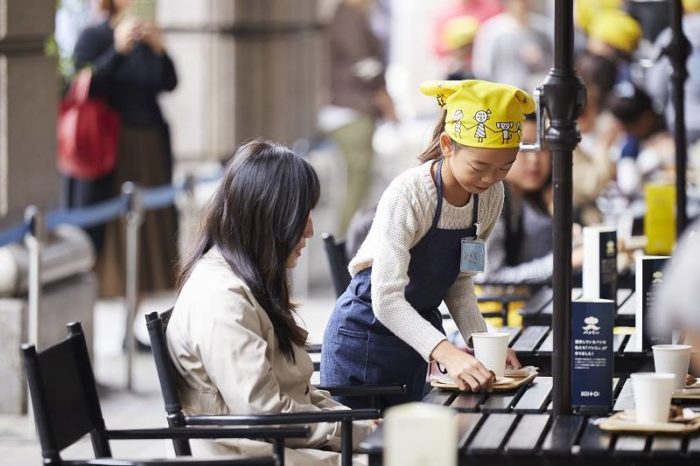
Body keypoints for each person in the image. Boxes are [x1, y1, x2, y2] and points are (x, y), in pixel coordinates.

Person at [321, 80, 529, 410]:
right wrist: (448, 352)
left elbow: (460, 284)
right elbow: (387, 299)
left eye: (505, 167)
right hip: (363, 339)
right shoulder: (410, 194)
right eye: (479, 167)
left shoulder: (491, 196)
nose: (490, 179)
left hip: (417, 343)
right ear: (447, 145)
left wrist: (485, 349)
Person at [166, 140, 373, 465]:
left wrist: (358, 424)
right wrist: (355, 432)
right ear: (268, 216)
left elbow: (295, 392)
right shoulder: (223, 299)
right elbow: (264, 413)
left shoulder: (243, 279)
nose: (309, 230)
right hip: (258, 455)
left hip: (284, 446)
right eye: (301, 215)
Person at [65, 0, 178, 297]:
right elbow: (82, 85)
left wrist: (160, 49)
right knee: (112, 233)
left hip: (150, 146)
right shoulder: (94, 36)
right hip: (110, 149)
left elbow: (168, 82)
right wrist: (117, 50)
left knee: (149, 232)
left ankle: (134, 322)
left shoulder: (146, 37)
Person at [326, 0, 397, 239]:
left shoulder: (348, 16)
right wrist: (383, 96)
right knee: (357, 183)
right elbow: (364, 65)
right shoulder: (350, 17)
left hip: (350, 110)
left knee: (359, 183)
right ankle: (345, 244)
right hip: (352, 111)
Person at [471, 0, 553, 93]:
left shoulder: (544, 27)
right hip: (505, 95)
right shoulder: (492, 30)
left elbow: (555, 67)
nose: (524, 4)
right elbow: (483, 70)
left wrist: (541, 59)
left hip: (536, 95)